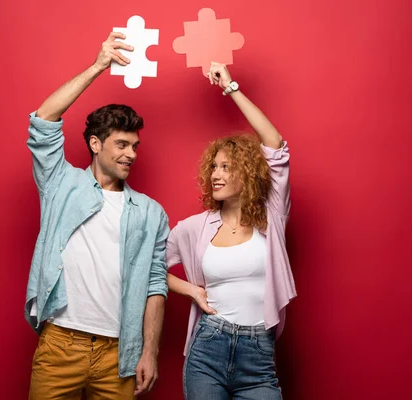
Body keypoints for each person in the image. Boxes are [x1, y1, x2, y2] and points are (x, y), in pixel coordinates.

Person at [24, 32, 169, 399]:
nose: (131, 154)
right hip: (61, 344)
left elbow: (155, 284)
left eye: (135, 146)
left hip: (118, 352)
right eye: (121, 144)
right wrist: (100, 65)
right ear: (95, 144)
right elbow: (44, 120)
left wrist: (149, 351)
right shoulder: (61, 184)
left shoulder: (150, 213)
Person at [166, 62, 297, 399]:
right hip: (208, 347)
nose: (216, 174)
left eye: (226, 167)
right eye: (213, 166)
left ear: (249, 173)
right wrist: (192, 291)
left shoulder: (271, 217)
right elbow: (148, 266)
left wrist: (231, 88)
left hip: (258, 353)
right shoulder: (195, 229)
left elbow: (275, 144)